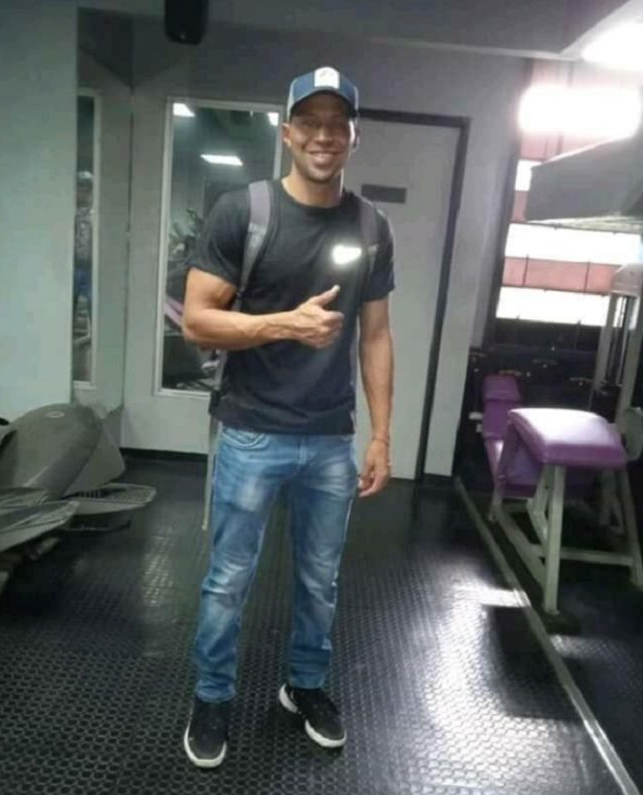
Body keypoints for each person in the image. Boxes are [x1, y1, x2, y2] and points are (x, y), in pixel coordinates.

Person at [182, 66, 395, 768]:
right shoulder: (243, 212)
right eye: (310, 122)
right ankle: (212, 695)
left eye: (338, 124)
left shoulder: (371, 225)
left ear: (355, 137)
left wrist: (382, 434)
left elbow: (375, 335)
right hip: (251, 431)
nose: (323, 136)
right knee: (228, 580)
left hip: (330, 440)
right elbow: (197, 322)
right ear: (287, 132)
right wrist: (284, 325)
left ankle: (303, 686)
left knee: (318, 581)